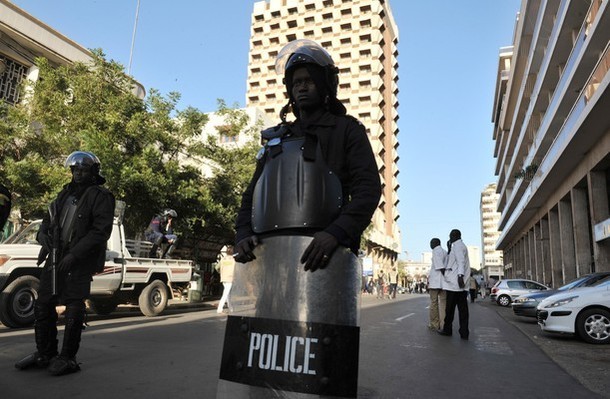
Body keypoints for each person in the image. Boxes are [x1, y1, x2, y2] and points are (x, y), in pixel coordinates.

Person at [220, 39, 381, 397]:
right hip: (269, 263)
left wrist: (335, 234)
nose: (301, 87)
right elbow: (253, 194)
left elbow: (368, 191)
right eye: (295, 82)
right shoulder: (276, 138)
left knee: (316, 363)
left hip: (324, 259)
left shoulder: (348, 130)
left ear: (325, 86)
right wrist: (243, 233)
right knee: (264, 361)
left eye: (308, 80)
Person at [15, 151, 115, 375]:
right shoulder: (64, 194)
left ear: (92, 172)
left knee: (74, 306)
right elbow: (47, 222)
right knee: (42, 303)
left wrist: (75, 254)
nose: (78, 174)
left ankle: (68, 357)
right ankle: (45, 353)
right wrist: (43, 237)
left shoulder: (101, 196)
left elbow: (101, 231)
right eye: (75, 170)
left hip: (79, 260)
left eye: (83, 170)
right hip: (55, 256)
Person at [438, 229, 471, 340]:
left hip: (455, 284)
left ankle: (447, 330)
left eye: (451, 235)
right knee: (463, 310)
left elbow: (460, 261)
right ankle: (464, 332)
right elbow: (454, 261)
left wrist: (460, 276)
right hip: (459, 285)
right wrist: (448, 249)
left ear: (455, 236)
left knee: (450, 310)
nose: (449, 237)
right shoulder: (458, 246)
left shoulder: (457, 246)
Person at [427, 238, 447, 331]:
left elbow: (440, 267)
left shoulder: (435, 251)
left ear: (435, 243)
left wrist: (445, 276)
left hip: (435, 282)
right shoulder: (445, 252)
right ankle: (443, 324)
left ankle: (434, 324)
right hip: (444, 284)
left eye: (431, 243)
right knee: (443, 304)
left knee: (434, 303)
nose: (430, 245)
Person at [216, 246, 235, 314]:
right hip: (230, 278)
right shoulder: (234, 260)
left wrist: (221, 272)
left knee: (227, 293)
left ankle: (231, 308)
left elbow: (216, 267)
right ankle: (219, 309)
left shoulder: (223, 259)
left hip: (223, 278)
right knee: (226, 293)